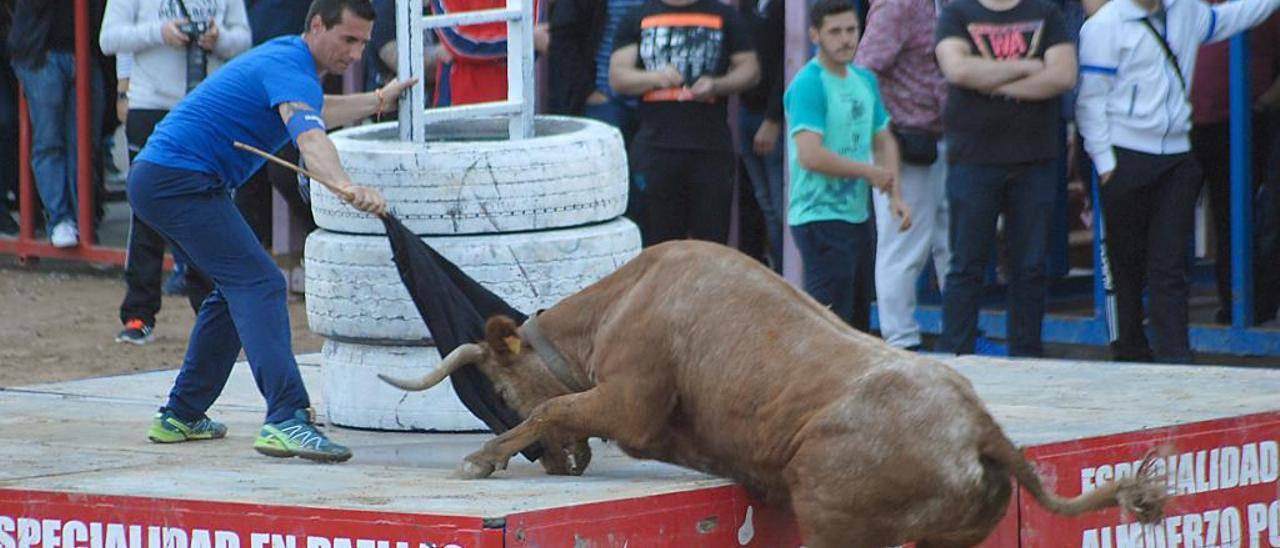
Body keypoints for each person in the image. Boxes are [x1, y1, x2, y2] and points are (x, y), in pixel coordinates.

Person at [127, 0, 413, 461]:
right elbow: (311, 137)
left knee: (235, 290)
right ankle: (286, 417)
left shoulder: (289, 64)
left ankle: (181, 414)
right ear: (316, 25)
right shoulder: (291, 67)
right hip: (177, 180)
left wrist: (379, 100)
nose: (357, 54)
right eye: (348, 40)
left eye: (363, 43)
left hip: (170, 178)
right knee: (259, 283)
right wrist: (344, 185)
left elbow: (319, 110)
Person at [1077, 0, 1280, 362]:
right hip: (1125, 156)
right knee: (1124, 266)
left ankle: (1175, 358)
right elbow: (1091, 101)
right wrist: (1106, 163)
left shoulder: (1185, 11)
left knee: (1168, 265)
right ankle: (1129, 355)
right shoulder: (1105, 25)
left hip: (1175, 157)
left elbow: (1233, 17)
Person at [100, 0, 252, 345]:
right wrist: (160, 33)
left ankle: (215, 315)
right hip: (152, 105)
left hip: (207, 105)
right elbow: (108, 38)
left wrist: (220, 38)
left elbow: (244, 38)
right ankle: (139, 313)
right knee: (146, 213)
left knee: (211, 209)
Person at [933, 0, 1076, 357]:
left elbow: (1062, 75)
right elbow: (957, 70)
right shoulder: (957, 12)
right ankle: (958, 355)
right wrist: (1029, 66)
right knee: (966, 263)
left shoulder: (1047, 13)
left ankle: (1027, 357)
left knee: (1030, 266)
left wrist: (995, 82)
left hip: (1035, 159)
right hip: (973, 160)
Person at [785, 0, 910, 332]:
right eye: (835, 31)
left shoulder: (864, 80)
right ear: (815, 34)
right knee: (829, 321)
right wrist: (868, 172)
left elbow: (883, 140)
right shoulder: (809, 83)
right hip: (818, 215)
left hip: (856, 214)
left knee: (856, 315)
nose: (845, 39)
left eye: (851, 30)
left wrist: (895, 194)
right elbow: (810, 155)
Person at [609, 0, 759, 246]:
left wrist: (717, 84)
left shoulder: (724, 15)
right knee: (659, 247)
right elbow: (618, 76)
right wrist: (656, 78)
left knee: (711, 248)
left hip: (711, 149)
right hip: (656, 148)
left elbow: (750, 69)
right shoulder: (639, 16)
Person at [854, 0, 951, 350]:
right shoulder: (899, 4)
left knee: (952, 243)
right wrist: (884, 135)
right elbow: (863, 72)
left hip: (948, 136)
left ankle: (958, 332)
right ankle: (900, 339)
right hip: (906, 141)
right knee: (902, 244)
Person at [1189, 7, 1280, 325]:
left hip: (1242, 123)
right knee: (1168, 218)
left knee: (1235, 217)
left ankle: (1242, 306)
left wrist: (1263, 103)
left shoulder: (1265, 11)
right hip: (1185, 126)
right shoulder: (1189, 8)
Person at [7, 0, 105, 248]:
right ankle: (61, 219)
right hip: (42, 51)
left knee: (83, 145)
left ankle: (82, 223)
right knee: (50, 141)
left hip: (82, 52)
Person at [547, 0, 646, 232]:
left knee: (650, 197)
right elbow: (563, 36)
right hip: (603, 101)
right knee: (605, 193)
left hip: (655, 103)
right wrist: (586, 91)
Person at [738, 0, 784, 273]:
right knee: (765, 204)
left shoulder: (786, 7)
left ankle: (786, 277)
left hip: (773, 116)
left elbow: (789, 59)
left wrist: (773, 117)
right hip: (746, 111)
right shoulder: (747, 5)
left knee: (779, 208)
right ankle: (778, 276)